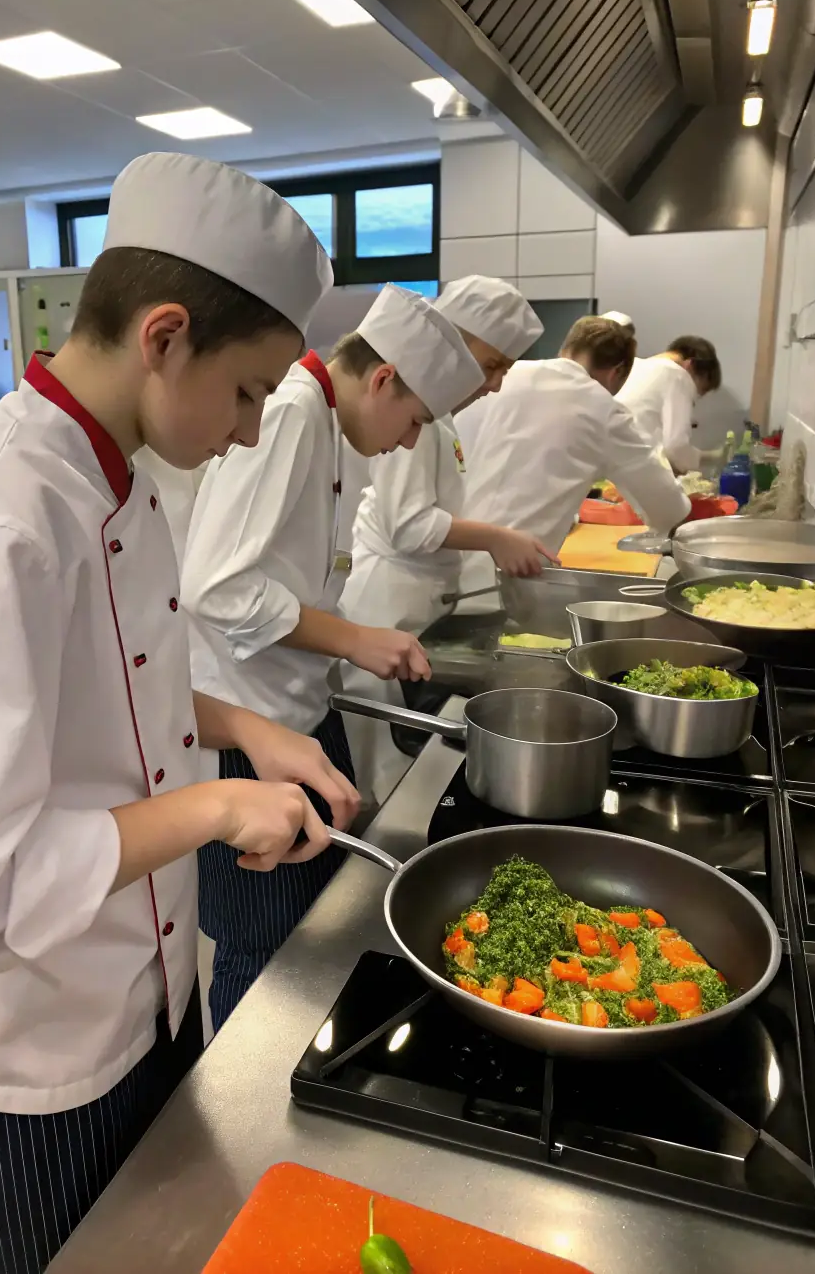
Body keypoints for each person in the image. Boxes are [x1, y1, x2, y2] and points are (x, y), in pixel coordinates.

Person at [0, 150, 361, 1274]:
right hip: (27, 1058)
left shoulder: (116, 477)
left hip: (145, 989)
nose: (246, 431)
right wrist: (217, 809)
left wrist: (241, 728)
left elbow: (97, 690)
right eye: (244, 392)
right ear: (164, 334)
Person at [181, 284, 484, 1030]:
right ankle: (239, 1113)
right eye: (414, 421)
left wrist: (356, 641)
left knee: (304, 932)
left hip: (297, 713)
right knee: (261, 946)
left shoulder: (323, 422)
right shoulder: (289, 415)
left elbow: (295, 578)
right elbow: (216, 589)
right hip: (247, 734)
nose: (413, 442)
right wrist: (352, 639)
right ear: (382, 379)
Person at [337, 276, 550, 802]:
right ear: (452, 339)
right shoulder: (416, 412)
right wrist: (496, 538)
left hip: (411, 607)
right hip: (385, 607)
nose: (497, 383)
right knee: (378, 777)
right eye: (495, 364)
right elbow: (408, 525)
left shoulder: (438, 416)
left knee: (395, 768)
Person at [461, 315, 691, 590]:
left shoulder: (504, 376)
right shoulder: (601, 406)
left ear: (565, 349)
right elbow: (669, 509)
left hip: (445, 561)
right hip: (506, 582)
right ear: (616, 372)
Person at [617, 334, 722, 473]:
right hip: (634, 471)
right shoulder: (677, 375)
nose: (694, 400)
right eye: (697, 391)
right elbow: (675, 447)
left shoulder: (634, 366)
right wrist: (712, 457)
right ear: (689, 365)